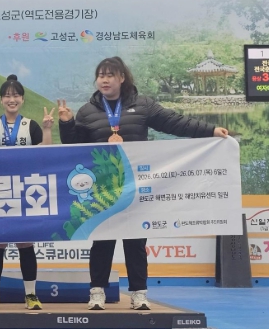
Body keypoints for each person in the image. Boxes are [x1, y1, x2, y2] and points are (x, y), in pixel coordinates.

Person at [57, 57, 229, 311]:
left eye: (110, 75)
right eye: (101, 75)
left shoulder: (142, 105)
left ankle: (139, 293)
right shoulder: (87, 111)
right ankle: (97, 293)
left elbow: (175, 123)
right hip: (104, 189)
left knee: (136, 243)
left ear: (122, 78)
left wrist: (211, 130)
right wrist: (66, 123)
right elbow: (74, 147)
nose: (104, 80)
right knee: (102, 241)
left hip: (136, 186)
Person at [0, 75, 54, 311]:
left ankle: (31, 295)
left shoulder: (30, 125)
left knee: (25, 243)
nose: (12, 99)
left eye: (16, 95)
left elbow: (45, 153)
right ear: (0, 100)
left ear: (22, 99)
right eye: (7, 96)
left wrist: (47, 129)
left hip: (24, 192)